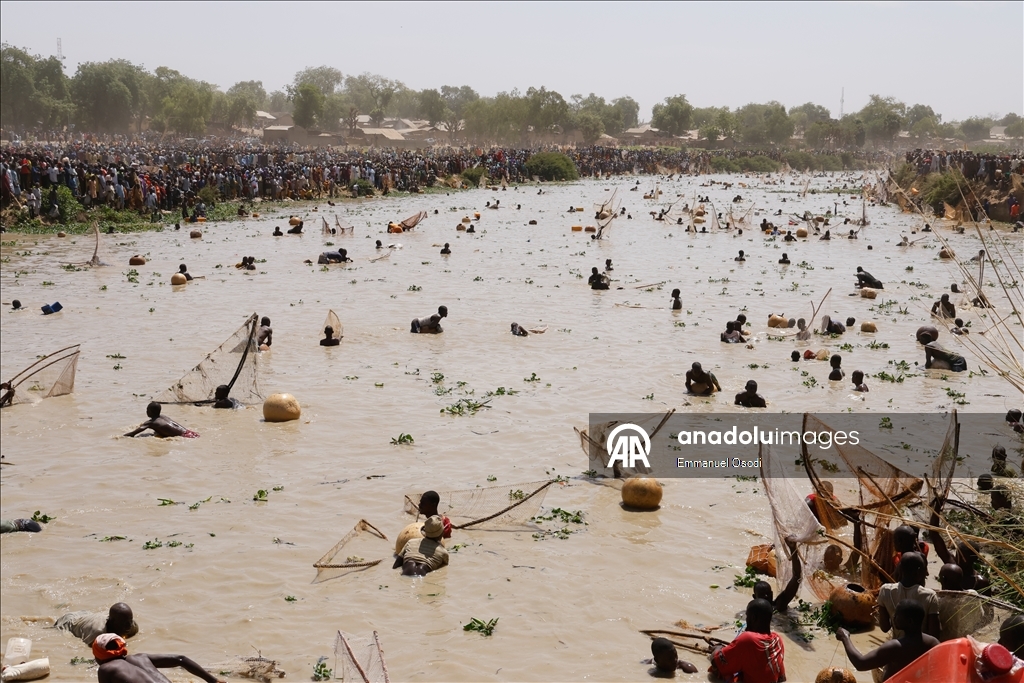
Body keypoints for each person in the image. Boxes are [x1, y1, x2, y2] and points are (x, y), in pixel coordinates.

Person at [836, 600, 938, 681]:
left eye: (897, 615)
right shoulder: (933, 643)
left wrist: (845, 637)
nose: (893, 617)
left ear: (910, 622)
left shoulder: (896, 647)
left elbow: (860, 663)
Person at [94, 633, 225, 683]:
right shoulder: (141, 657)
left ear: (99, 656)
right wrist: (213, 680)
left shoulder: (106, 669)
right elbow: (181, 659)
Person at [709, 599, 786, 683]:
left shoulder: (748, 639)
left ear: (753, 618)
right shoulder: (778, 639)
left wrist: (717, 649)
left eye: (747, 616)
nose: (746, 620)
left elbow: (716, 663)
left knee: (720, 672)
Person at [877, 552, 941, 639]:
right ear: (919, 572)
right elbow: (934, 635)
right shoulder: (930, 596)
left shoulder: (885, 590)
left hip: (897, 646)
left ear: (900, 570)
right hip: (921, 648)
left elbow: (884, 627)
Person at [752, 537, 802, 612]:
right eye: (762, 594)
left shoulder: (779, 605)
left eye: (768, 593)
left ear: (772, 594)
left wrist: (793, 549)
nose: (766, 596)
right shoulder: (751, 613)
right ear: (754, 597)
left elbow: (796, 577)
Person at [55, 603, 139, 645]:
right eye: (124, 623)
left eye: (130, 621)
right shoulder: (98, 633)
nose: (128, 626)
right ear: (112, 622)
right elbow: (95, 652)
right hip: (68, 622)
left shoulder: (131, 625)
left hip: (86, 615)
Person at [124, 402, 198, 438]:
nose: (146, 411)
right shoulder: (164, 417)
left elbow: (132, 434)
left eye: (147, 410)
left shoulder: (150, 423)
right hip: (190, 432)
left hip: (185, 437)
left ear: (151, 411)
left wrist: (120, 437)